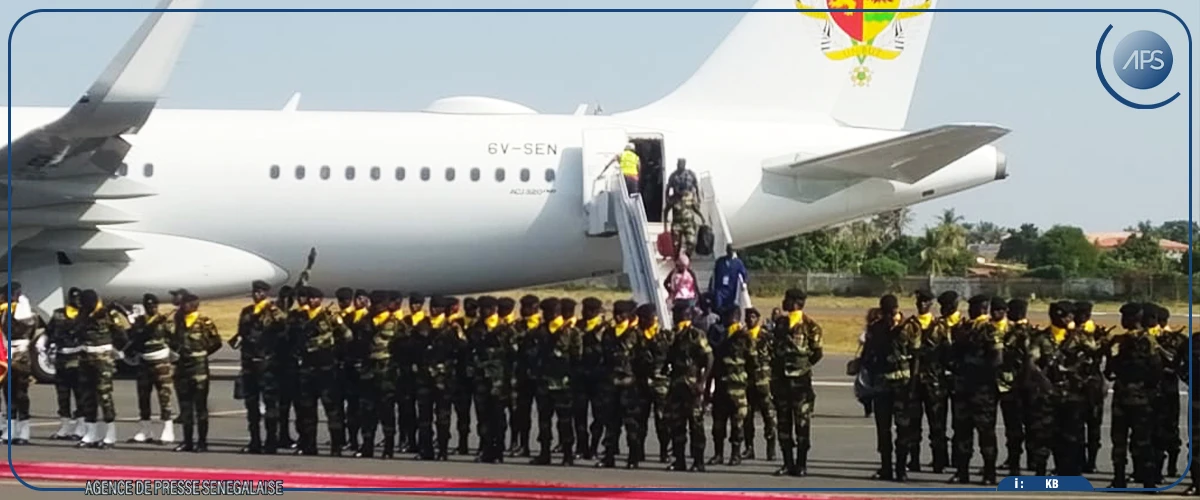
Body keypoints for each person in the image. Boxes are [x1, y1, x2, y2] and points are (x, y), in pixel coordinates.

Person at [1106, 302, 1160, 489]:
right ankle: (1148, 481)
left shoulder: (1120, 341)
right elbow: (1156, 369)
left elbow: (1109, 371)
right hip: (1140, 397)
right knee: (1142, 440)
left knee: (1121, 440)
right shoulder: (1149, 341)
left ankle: (1120, 478)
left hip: (1126, 396)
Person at [771, 289, 824, 477]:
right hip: (781, 383)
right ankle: (787, 463)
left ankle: (801, 464)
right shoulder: (780, 324)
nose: (784, 302)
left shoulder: (811, 327)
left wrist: (804, 367)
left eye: (787, 299)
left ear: (795, 302)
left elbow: (817, 353)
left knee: (802, 425)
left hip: (801, 386)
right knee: (783, 425)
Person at [231, 280, 287, 454]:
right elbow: (242, 333)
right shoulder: (247, 312)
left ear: (266, 294)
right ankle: (254, 441)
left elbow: (283, 327)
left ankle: (271, 441)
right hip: (249, 363)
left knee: (270, 405)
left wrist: (273, 310)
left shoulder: (273, 311)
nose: (257, 295)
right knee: (251, 405)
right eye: (255, 292)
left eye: (260, 292)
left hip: (267, 363)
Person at [76, 289, 131, 449]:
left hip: (103, 360)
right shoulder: (83, 314)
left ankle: (110, 434)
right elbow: (77, 330)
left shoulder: (108, 314)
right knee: (87, 396)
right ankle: (90, 433)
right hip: (86, 358)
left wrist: (114, 351)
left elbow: (122, 335)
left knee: (104, 395)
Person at [529, 298, 581, 465]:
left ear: (557, 312)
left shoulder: (572, 332)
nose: (546, 315)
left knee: (565, 421)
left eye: (549, 312)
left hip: (563, 384)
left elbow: (577, 358)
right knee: (544, 420)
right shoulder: (539, 331)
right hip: (544, 383)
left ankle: (567, 455)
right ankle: (545, 453)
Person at [663, 302, 712, 472]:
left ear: (687, 315)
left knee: (695, 424)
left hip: (692, 385)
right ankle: (679, 460)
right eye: (674, 313)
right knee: (677, 423)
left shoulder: (695, 335)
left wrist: (702, 381)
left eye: (678, 313)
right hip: (676, 385)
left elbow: (709, 358)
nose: (675, 316)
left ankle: (698, 461)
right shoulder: (673, 335)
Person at [170, 292, 222, 453]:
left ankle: (202, 441)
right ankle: (187, 441)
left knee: (200, 407)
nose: (183, 306)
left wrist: (202, 354)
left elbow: (216, 342)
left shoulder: (204, 322)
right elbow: (173, 341)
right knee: (185, 408)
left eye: (186, 303)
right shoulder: (178, 321)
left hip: (199, 370)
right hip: (182, 369)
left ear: (194, 304)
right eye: (182, 303)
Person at [707, 306, 755, 467]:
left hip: (738, 388)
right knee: (718, 425)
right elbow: (714, 363)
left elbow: (753, 363)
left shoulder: (744, 337)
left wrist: (749, 385)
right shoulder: (720, 337)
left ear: (733, 317)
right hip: (721, 386)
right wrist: (708, 387)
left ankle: (735, 454)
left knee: (737, 424)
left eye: (727, 316)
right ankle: (718, 454)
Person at [127, 293, 176, 445]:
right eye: (148, 306)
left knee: (164, 396)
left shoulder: (164, 321)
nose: (151, 308)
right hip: (144, 362)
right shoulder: (140, 322)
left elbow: (174, 338)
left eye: (154, 305)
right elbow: (137, 336)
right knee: (143, 397)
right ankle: (145, 429)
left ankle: (168, 429)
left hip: (161, 361)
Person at [0, 284, 37, 446]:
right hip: (7, 353)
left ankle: (24, 430)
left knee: (21, 394)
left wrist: (21, 304)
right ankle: (11, 429)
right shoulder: (5, 310)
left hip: (20, 355)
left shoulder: (24, 311)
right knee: (8, 393)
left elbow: (28, 326)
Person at [47, 287, 85, 441]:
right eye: (73, 298)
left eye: (78, 298)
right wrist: (50, 344)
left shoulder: (84, 316)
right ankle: (65, 425)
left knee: (80, 394)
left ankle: (81, 426)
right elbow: (50, 331)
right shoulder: (58, 313)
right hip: (61, 358)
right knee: (62, 394)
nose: (76, 301)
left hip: (77, 359)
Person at [853, 308, 882, 419]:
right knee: (866, 386)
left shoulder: (875, 329)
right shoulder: (870, 330)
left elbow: (861, 340)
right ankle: (870, 408)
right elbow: (862, 339)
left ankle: (870, 408)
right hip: (869, 361)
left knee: (868, 386)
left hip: (872, 361)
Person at [710, 245, 748, 313]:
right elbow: (713, 275)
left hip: (730, 290)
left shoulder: (738, 263)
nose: (730, 252)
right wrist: (711, 287)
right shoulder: (720, 261)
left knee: (729, 307)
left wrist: (744, 283)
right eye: (729, 250)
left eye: (731, 250)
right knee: (718, 305)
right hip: (720, 289)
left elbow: (744, 274)